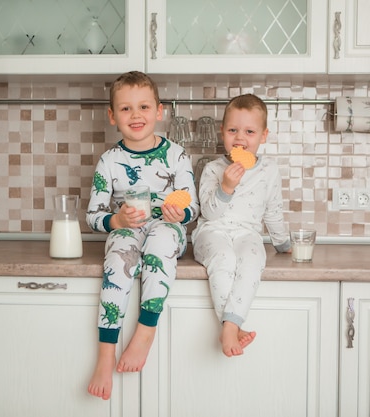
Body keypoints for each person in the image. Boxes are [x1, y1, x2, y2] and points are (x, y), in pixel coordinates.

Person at [86, 71, 199, 400]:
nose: (136, 115)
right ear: (112, 116)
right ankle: (105, 353)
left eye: (144, 107)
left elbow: (192, 206)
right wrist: (117, 220)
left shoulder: (177, 156)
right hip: (129, 231)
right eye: (125, 109)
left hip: (167, 228)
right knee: (116, 261)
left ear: (159, 111)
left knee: (162, 239)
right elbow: (93, 216)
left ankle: (146, 330)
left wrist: (182, 213)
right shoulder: (108, 161)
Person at [191, 94, 290, 357]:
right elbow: (209, 214)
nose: (240, 138)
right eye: (233, 130)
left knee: (252, 259)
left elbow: (273, 211)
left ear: (263, 136)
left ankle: (230, 324)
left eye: (249, 131)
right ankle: (231, 327)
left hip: (247, 233)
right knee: (224, 258)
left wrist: (282, 243)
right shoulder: (212, 169)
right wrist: (226, 187)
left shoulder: (269, 171)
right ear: (222, 132)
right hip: (212, 232)